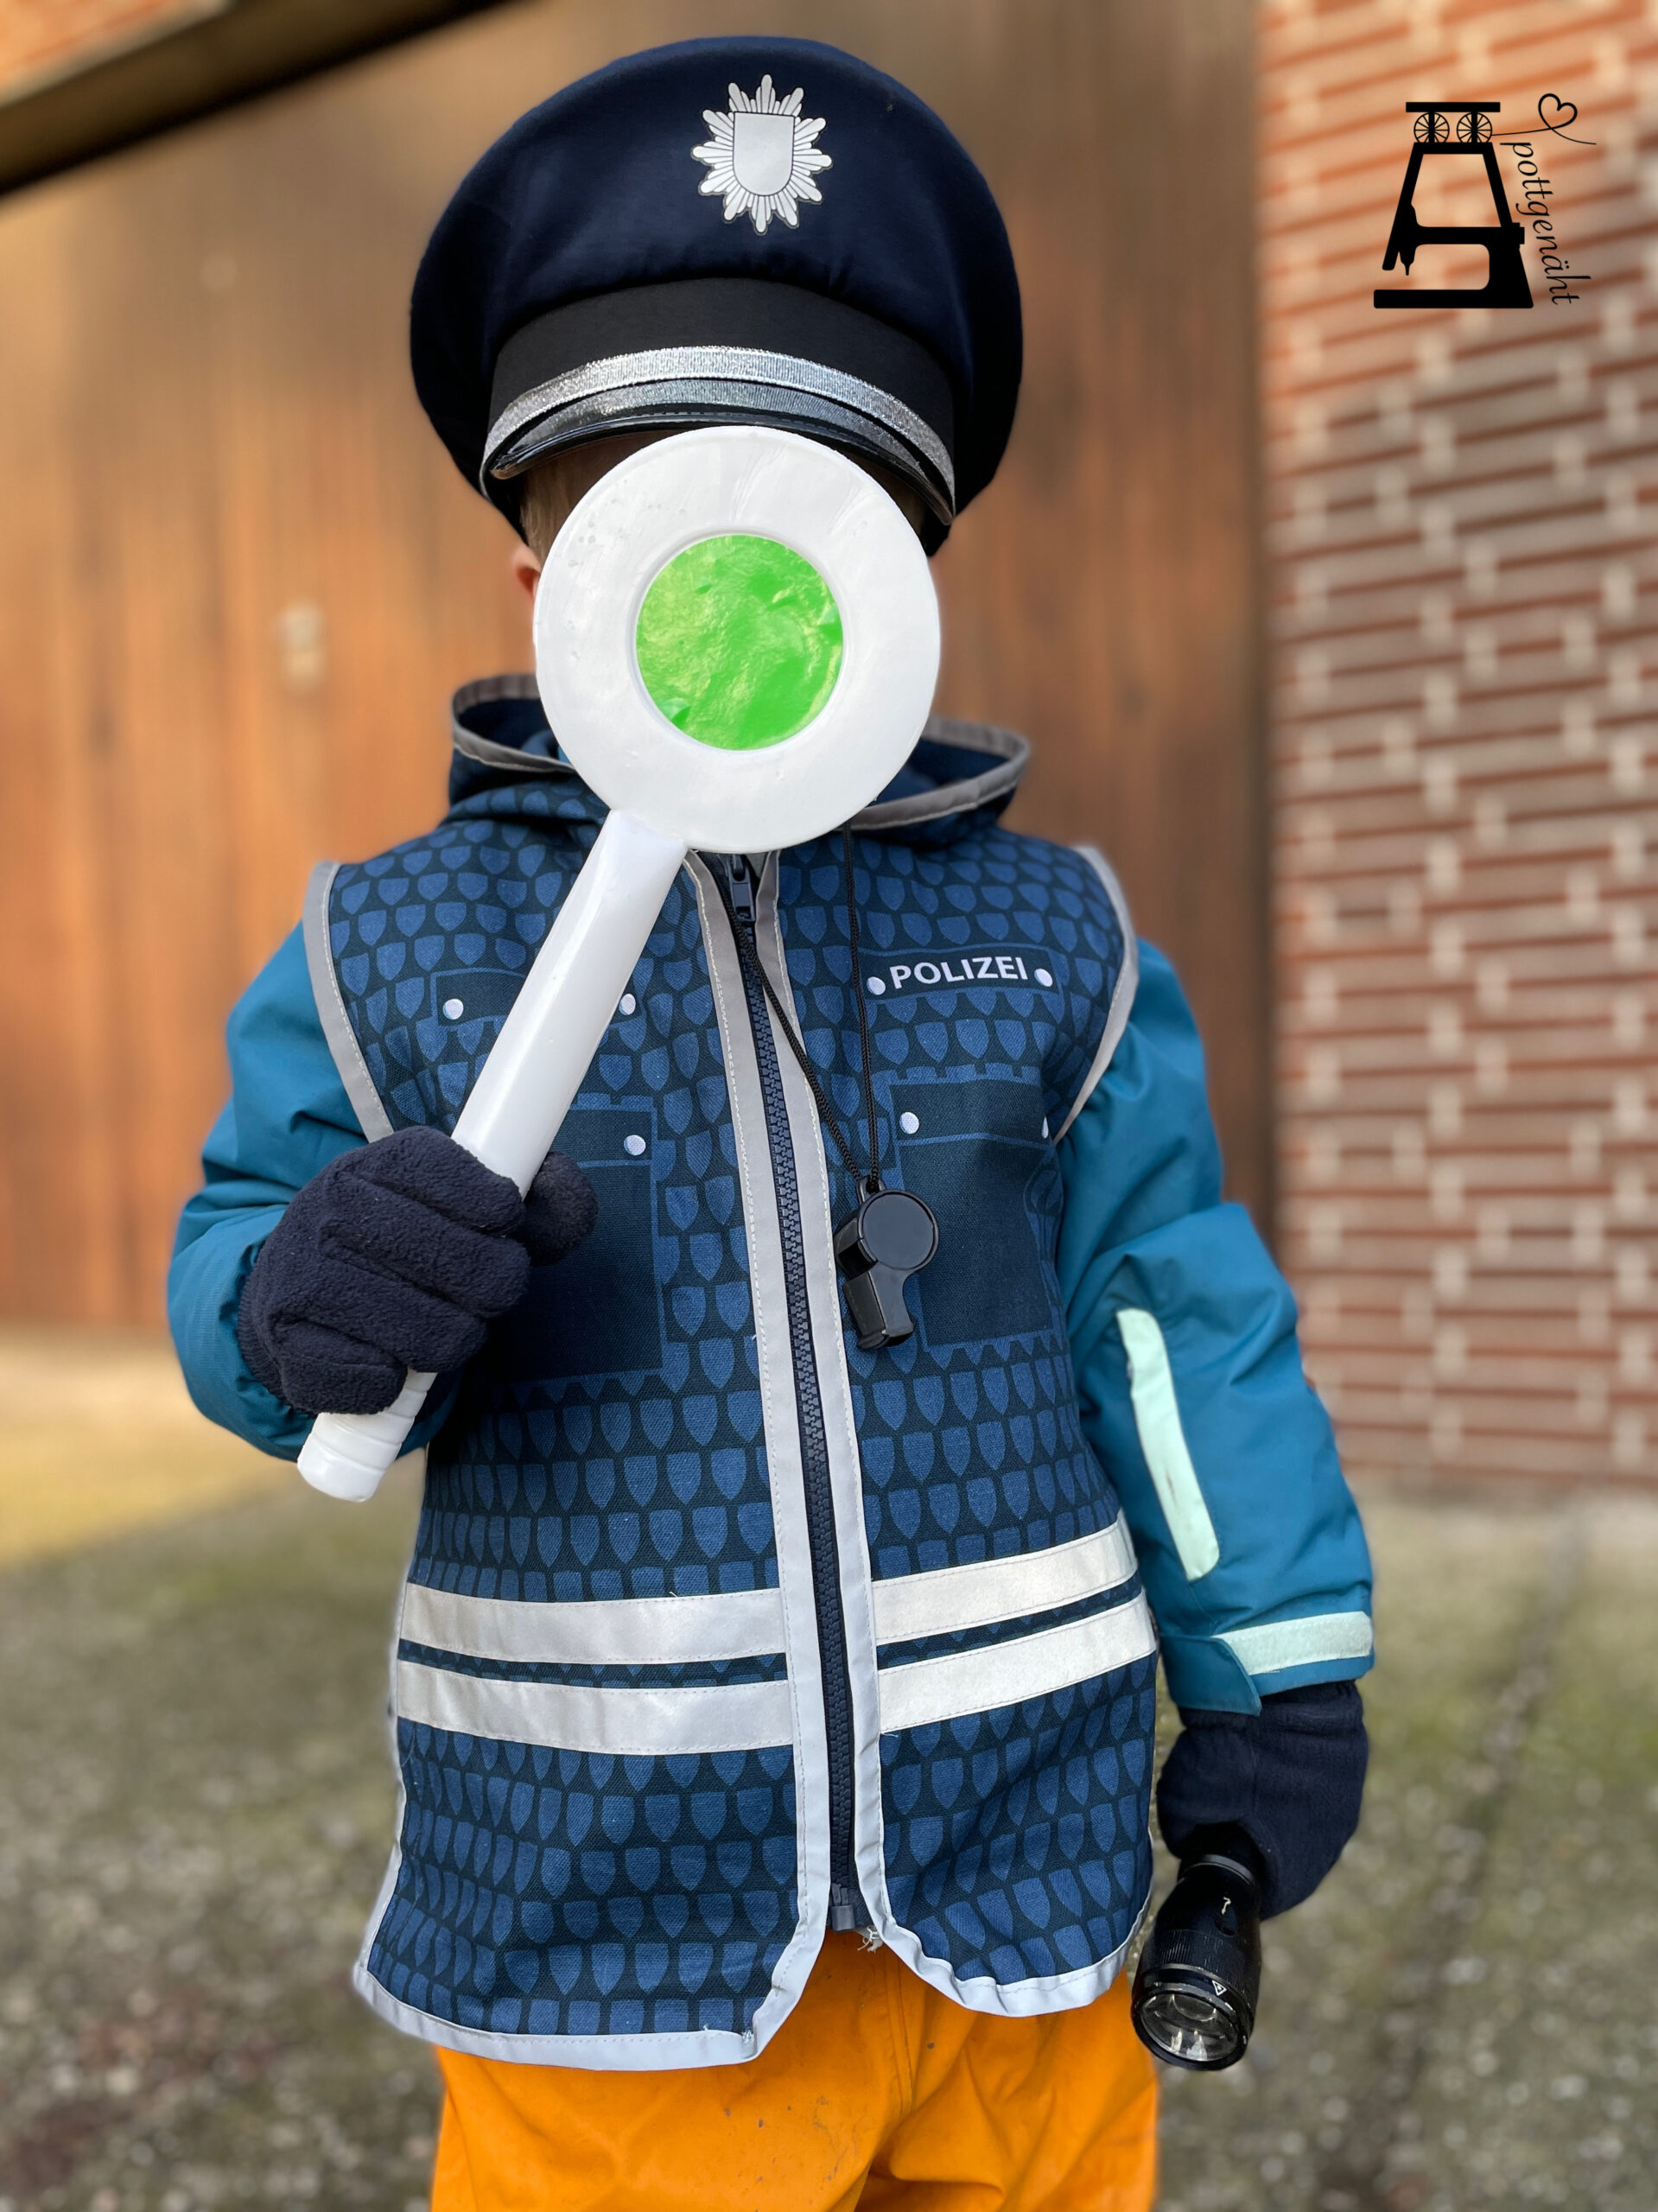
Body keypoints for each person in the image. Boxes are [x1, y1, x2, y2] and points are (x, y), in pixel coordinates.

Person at [168, 38, 1372, 2211]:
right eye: (645, 516)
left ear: (901, 579)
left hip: (1027, 1883)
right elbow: (245, 1267)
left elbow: (1177, 1319)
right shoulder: (386, 947)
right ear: (539, 573)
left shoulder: (1058, 935)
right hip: (603, 1924)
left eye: (808, 521)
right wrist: (292, 1301)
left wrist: (1276, 1668)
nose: (727, 598)